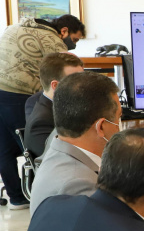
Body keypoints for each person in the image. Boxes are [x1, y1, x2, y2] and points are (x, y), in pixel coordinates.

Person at [0, 14, 85, 210]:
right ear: (64, 31)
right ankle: (44, 195)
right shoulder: (51, 39)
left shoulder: (17, 27)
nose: (74, 45)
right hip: (17, 92)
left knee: (3, 148)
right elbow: (62, 69)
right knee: (33, 148)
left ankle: (17, 198)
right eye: (74, 39)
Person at [29, 71, 121, 215]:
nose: (119, 127)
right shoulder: (79, 185)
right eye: (118, 118)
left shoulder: (58, 144)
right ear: (101, 127)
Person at [24, 52, 84, 157]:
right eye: (76, 81)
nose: (83, 86)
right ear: (55, 85)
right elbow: (59, 159)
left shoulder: (63, 107)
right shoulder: (41, 123)